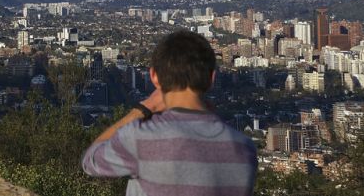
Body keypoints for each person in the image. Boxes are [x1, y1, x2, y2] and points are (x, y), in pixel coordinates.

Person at [82, 30, 257, 195]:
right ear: (212, 78)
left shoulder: (142, 138)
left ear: (154, 77)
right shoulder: (245, 149)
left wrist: (143, 108)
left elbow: (91, 161)